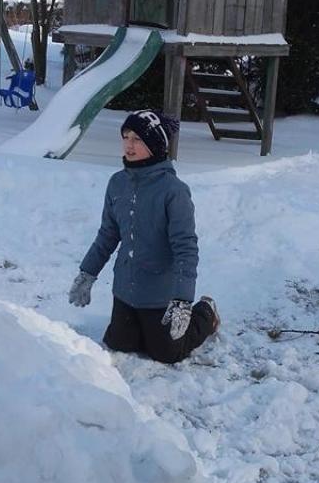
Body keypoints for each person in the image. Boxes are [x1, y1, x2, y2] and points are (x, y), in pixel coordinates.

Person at [68, 109, 220, 364]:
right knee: (119, 343)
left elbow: (185, 247)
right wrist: (87, 273)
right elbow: (108, 234)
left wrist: (182, 299)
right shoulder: (117, 183)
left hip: (161, 293)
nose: (129, 144)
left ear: (155, 144)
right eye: (126, 136)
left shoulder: (174, 191)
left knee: (166, 353)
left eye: (137, 138)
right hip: (125, 289)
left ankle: (206, 312)